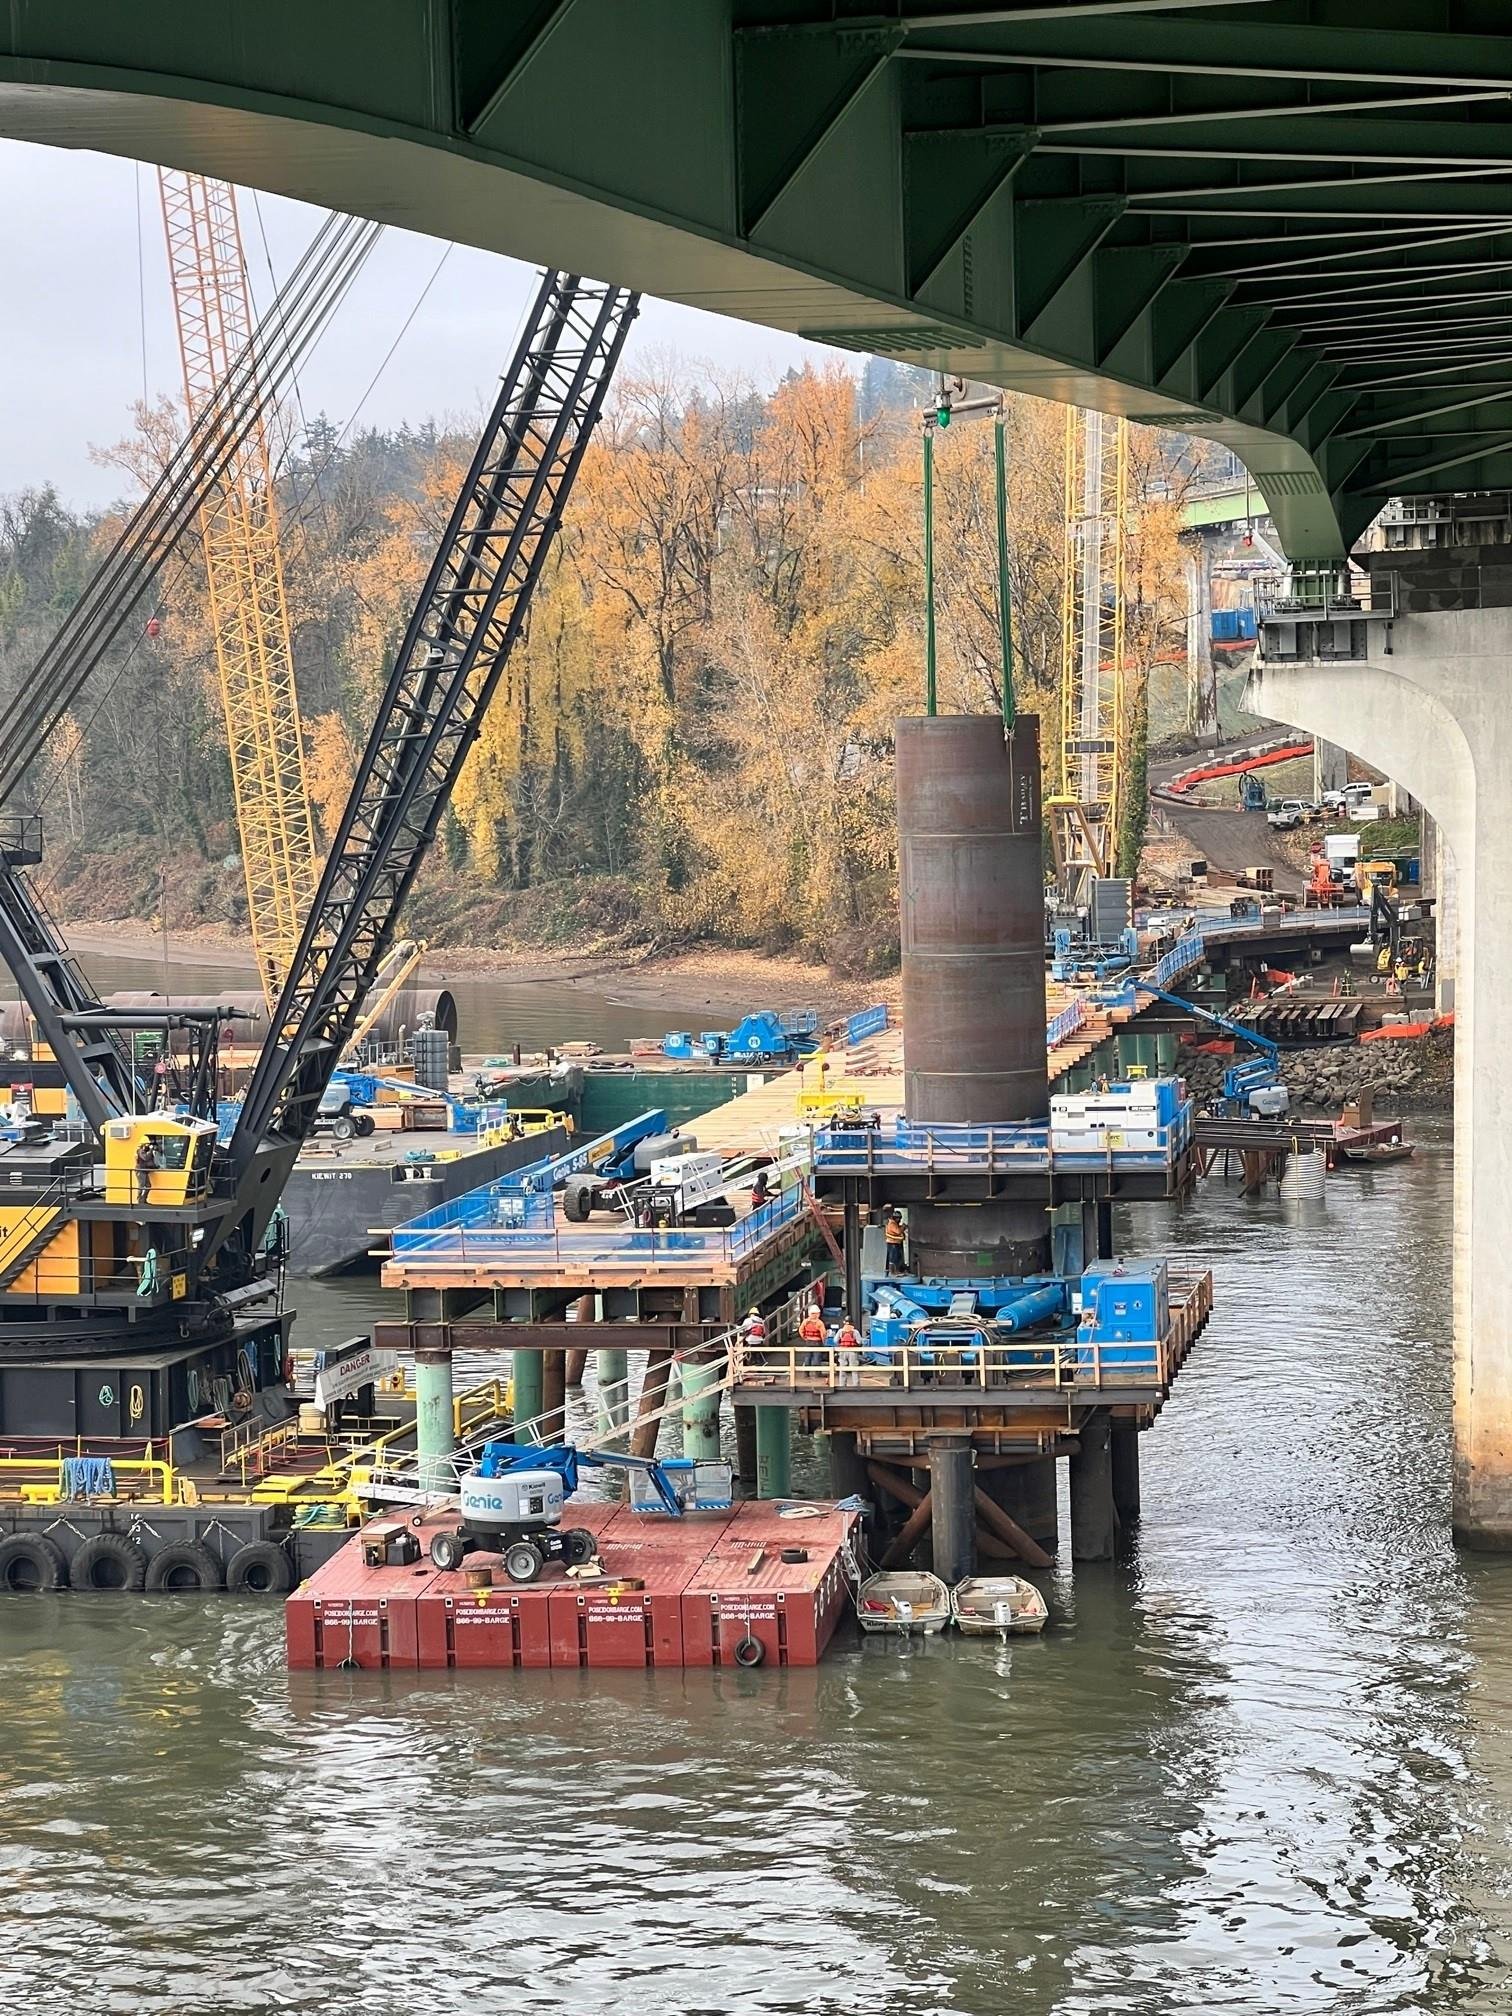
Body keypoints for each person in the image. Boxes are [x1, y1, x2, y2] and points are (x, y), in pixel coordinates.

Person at [834, 1313, 862, 1389]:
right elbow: (859, 1341)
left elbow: (835, 1340)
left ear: (844, 1322)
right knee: (854, 1369)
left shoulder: (840, 1331)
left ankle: (842, 1385)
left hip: (842, 1351)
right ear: (852, 1323)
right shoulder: (855, 1331)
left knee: (842, 1369)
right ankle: (856, 1385)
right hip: (852, 1351)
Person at [798, 1301, 827, 1372]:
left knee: (807, 1357)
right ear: (818, 1313)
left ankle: (806, 1373)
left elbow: (800, 1330)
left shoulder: (805, 1322)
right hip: (817, 1342)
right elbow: (823, 1333)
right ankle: (817, 1373)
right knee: (817, 1358)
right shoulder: (819, 1323)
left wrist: (805, 1338)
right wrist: (823, 1341)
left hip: (808, 1341)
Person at [134, 1134, 156, 1208]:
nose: (148, 1145)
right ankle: (139, 1200)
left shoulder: (144, 1150)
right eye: (147, 1144)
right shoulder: (140, 1151)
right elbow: (145, 1158)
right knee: (141, 1185)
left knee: (148, 1186)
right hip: (140, 1171)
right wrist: (151, 1150)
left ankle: (143, 1199)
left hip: (144, 1170)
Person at [883, 1207, 907, 1275]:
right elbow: (898, 1231)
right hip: (892, 1243)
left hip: (895, 1243)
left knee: (897, 1257)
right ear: (896, 1218)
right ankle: (893, 1271)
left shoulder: (894, 1224)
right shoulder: (892, 1224)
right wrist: (903, 1227)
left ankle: (897, 1270)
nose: (899, 1220)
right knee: (893, 1258)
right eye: (899, 1218)